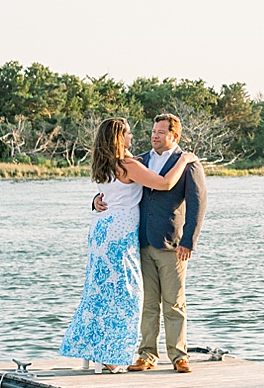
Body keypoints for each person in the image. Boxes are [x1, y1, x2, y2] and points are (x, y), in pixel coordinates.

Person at [61, 118, 198, 373]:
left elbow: (111, 193)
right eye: (127, 133)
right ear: (118, 138)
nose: (132, 136)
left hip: (101, 229)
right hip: (120, 233)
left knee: (100, 292)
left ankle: (97, 350)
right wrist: (184, 159)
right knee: (126, 294)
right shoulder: (128, 164)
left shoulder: (105, 162)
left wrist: (95, 201)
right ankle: (113, 356)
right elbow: (165, 183)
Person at [95, 112, 206, 372]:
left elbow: (198, 203)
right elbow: (114, 189)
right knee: (146, 302)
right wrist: (94, 201)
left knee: (174, 302)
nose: (154, 136)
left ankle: (179, 356)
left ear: (174, 136)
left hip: (172, 243)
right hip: (140, 241)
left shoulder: (187, 163)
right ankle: (146, 355)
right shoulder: (139, 160)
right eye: (153, 131)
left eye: (160, 132)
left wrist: (189, 240)